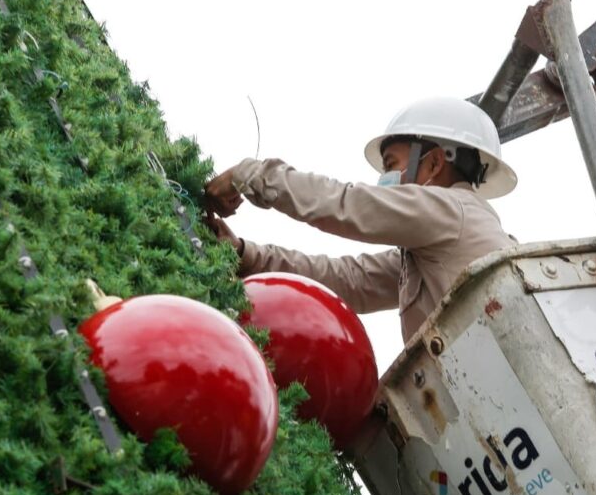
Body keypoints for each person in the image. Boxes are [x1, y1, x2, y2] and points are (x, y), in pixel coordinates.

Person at [204, 97, 517, 343]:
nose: (385, 179)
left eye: (391, 164)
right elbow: (347, 279)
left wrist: (251, 175)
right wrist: (245, 253)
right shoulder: (432, 251)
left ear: (434, 162)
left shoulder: (453, 209)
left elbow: (345, 204)